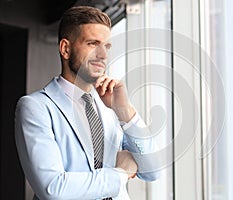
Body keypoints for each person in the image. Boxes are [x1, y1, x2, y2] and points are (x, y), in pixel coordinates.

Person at [15, 6, 159, 200]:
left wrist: (126, 112)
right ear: (66, 49)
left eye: (107, 46)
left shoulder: (111, 107)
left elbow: (152, 170)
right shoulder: (36, 107)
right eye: (93, 43)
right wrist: (120, 173)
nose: (103, 55)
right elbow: (54, 189)